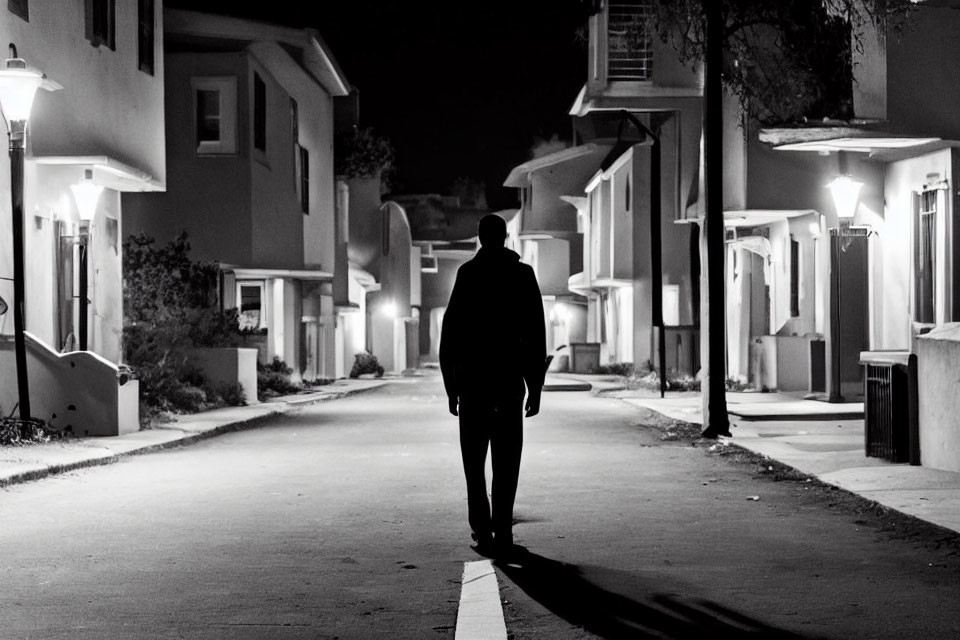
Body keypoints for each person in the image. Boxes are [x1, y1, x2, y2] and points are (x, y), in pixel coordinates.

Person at [439, 213, 546, 559]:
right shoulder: (522, 274)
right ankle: (502, 531)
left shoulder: (468, 274)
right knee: (506, 460)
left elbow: (450, 332)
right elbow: (535, 333)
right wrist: (536, 385)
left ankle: (482, 530)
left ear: (481, 238)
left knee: (474, 462)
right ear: (505, 237)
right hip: (508, 383)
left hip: (472, 384)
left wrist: (450, 386)